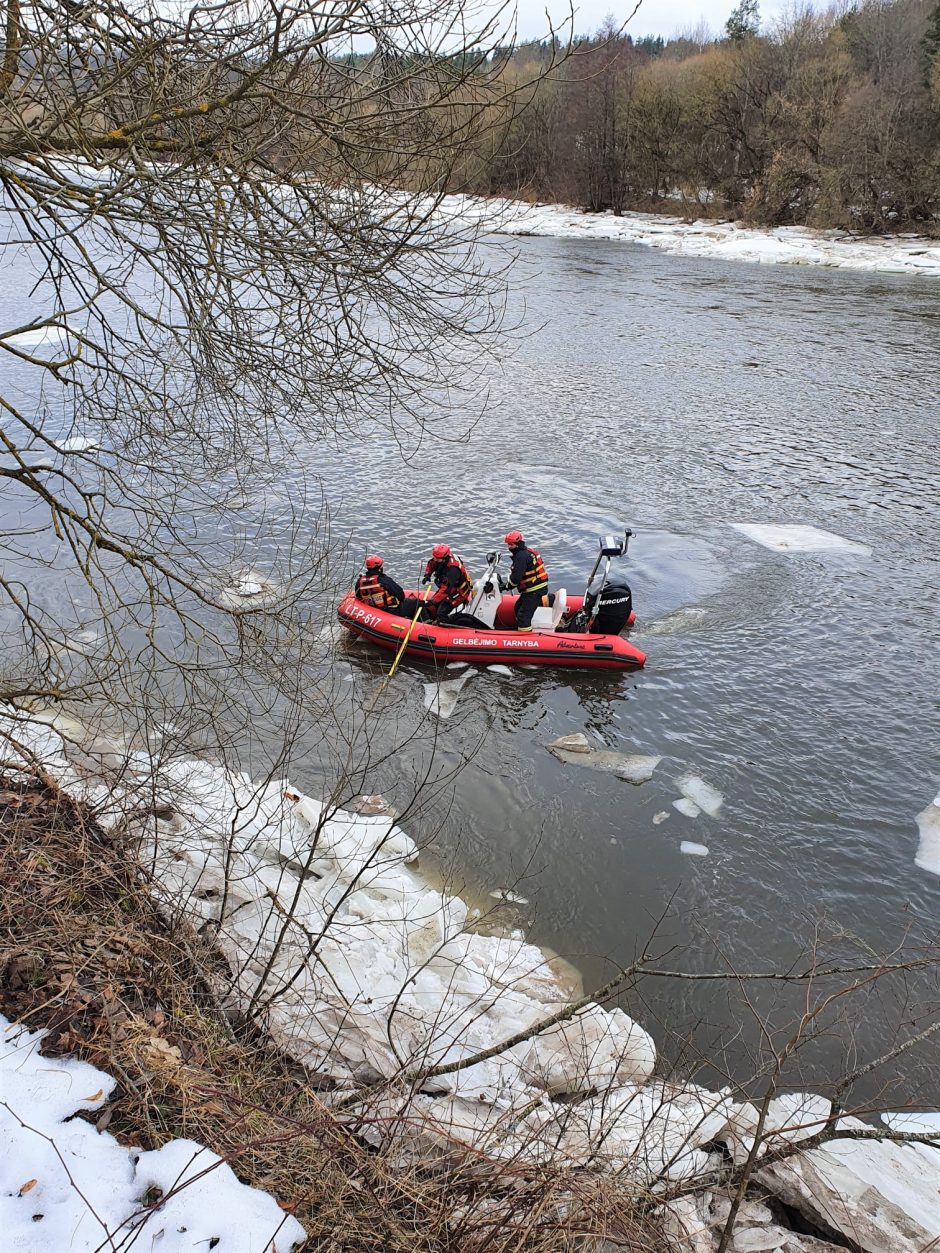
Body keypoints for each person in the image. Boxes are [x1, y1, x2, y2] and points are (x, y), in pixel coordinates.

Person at [502, 530, 549, 631]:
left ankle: (525, 639)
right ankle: (519, 630)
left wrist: (505, 586)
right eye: (508, 544)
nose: (508, 547)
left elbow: (515, 579)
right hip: (533, 589)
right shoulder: (526, 552)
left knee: (523, 618)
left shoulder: (521, 557)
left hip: (534, 591)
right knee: (517, 607)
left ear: (517, 544)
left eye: (510, 544)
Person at [355, 555, 421, 618]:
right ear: (380, 567)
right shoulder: (383, 580)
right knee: (416, 603)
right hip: (391, 610)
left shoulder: (360, 581)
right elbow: (401, 595)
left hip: (374, 610)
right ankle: (427, 624)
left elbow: (358, 596)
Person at [422, 543, 472, 621]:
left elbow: (445, 590)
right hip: (451, 586)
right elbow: (431, 564)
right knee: (434, 606)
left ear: (444, 558)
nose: (435, 559)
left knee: (441, 612)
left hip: (459, 592)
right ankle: (434, 620)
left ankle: (447, 626)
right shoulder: (441, 559)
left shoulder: (452, 570)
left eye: (437, 559)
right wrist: (427, 574)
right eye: (434, 557)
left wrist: (433, 601)